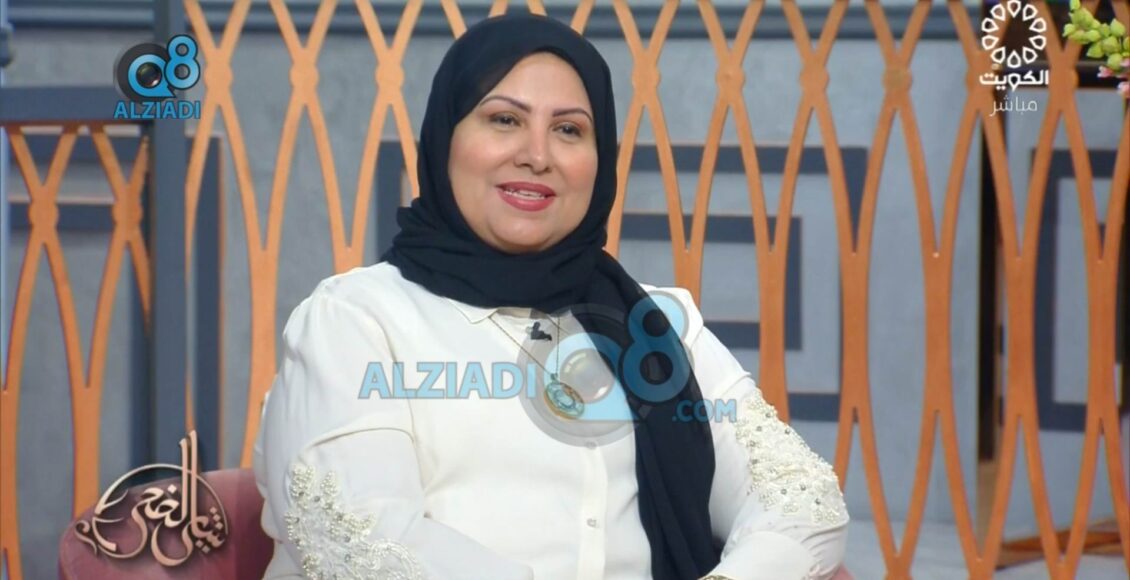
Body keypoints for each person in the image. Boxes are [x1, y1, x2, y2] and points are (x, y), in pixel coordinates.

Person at [252, 13, 848, 580]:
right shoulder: (357, 320)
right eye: (504, 120)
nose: (537, 156)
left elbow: (800, 501)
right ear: (444, 139)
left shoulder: (659, 323)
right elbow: (365, 541)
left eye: (568, 130)